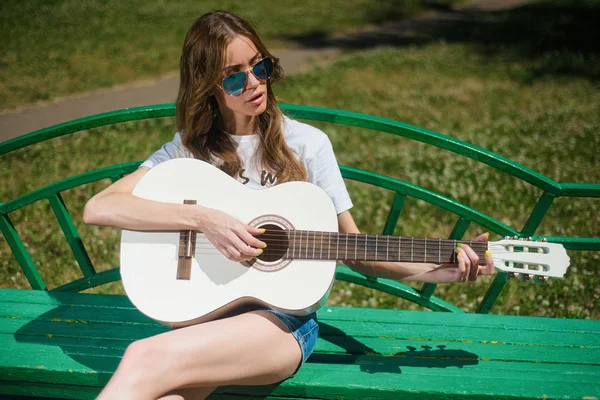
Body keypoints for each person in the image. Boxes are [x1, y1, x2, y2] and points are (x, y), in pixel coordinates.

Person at [83, 10, 495, 400]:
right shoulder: (188, 151)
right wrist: (203, 219)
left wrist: (436, 267)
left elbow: (353, 249)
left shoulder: (306, 145)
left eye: (259, 67)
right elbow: (100, 208)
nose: (254, 83)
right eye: (233, 79)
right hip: (199, 315)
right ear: (208, 86)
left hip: (281, 325)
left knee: (143, 355)